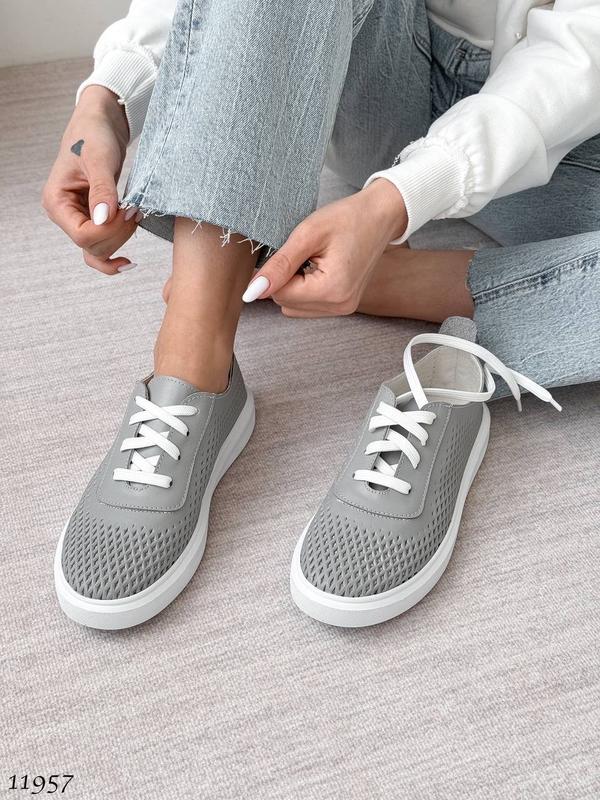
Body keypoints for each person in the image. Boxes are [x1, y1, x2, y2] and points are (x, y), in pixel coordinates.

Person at [45, 0, 599, 630]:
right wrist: (108, 98)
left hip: (573, 130)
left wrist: (399, 199)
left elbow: (580, 53)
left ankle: (400, 283)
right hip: (380, 63)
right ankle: (193, 363)